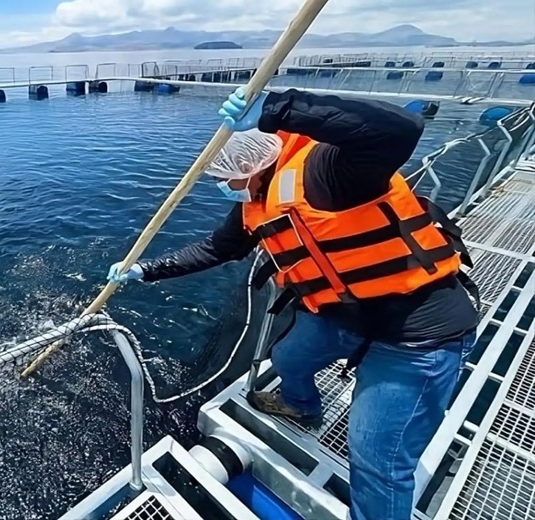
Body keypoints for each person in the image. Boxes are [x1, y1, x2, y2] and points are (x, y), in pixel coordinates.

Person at [106, 87, 479, 520]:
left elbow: (399, 130)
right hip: (343, 316)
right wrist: (146, 270)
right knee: (288, 358)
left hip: (417, 333)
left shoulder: (330, 171)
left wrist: (280, 108)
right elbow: (217, 248)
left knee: (379, 460)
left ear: (253, 166)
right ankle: (302, 406)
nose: (224, 187)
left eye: (227, 178)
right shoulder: (258, 202)